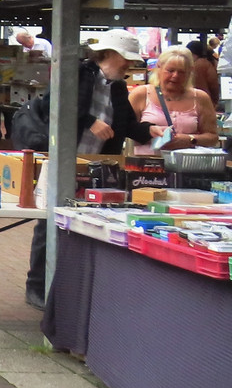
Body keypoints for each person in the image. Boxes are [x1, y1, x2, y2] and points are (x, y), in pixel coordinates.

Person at [25, 29, 155, 309]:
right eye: (126, 59)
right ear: (110, 54)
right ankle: (36, 286)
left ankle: (70, 286)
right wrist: (89, 120)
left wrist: (151, 131)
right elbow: (54, 106)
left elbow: (126, 125)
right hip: (62, 158)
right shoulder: (80, 73)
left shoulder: (118, 86)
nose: (128, 65)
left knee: (82, 224)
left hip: (94, 166)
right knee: (49, 223)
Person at [128, 45, 219, 155]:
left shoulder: (200, 98)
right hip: (145, 166)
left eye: (181, 72)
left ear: (190, 72)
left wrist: (189, 140)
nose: (175, 76)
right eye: (170, 70)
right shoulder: (140, 94)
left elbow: (212, 137)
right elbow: (127, 129)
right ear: (159, 68)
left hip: (186, 166)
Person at [185, 40, 221, 106]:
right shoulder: (208, 63)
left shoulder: (198, 65)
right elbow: (214, 86)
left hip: (198, 103)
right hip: (206, 102)